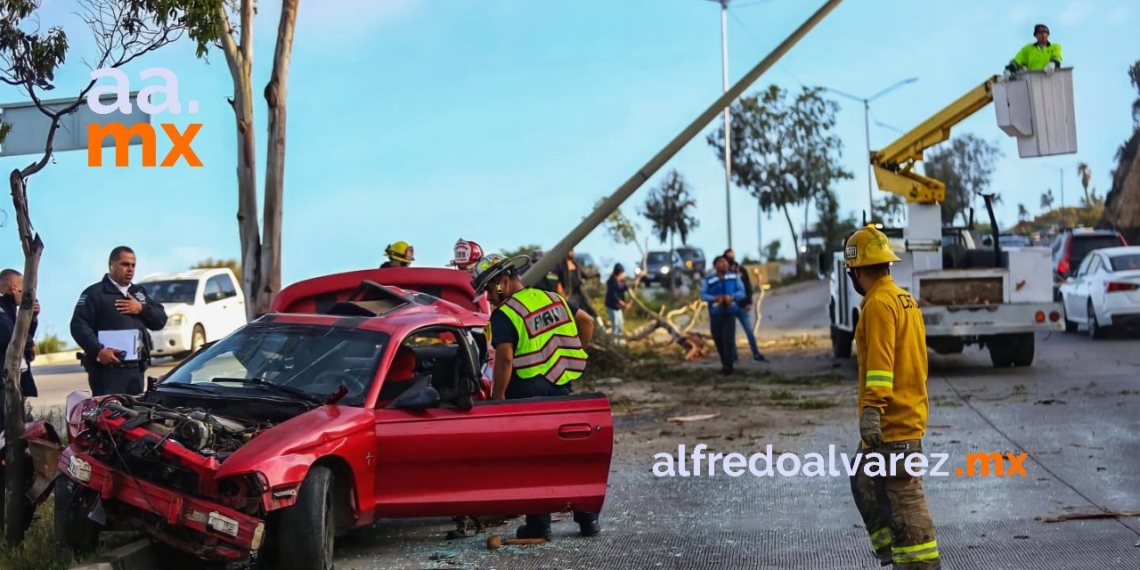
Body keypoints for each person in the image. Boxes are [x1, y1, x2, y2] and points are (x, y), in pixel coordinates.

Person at [470, 254, 600, 540]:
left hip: (527, 400)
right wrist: (574, 352)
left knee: (534, 462)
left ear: (504, 281)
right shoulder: (552, 298)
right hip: (561, 392)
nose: (490, 298)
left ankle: (539, 524)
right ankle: (587, 519)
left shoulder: (506, 312)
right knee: (567, 459)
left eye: (491, 290)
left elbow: (504, 359)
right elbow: (587, 321)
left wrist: (498, 397)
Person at [844, 225, 940, 569]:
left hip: (893, 421)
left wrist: (872, 409)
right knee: (863, 478)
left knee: (902, 495)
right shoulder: (902, 298)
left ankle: (919, 562)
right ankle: (892, 553)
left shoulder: (879, 305)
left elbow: (881, 366)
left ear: (855, 271)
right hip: (901, 413)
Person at [70, 246, 168, 396]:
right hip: (108, 372)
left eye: (133, 265)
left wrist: (141, 309)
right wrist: (98, 350)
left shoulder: (139, 293)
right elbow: (78, 325)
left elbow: (160, 320)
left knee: (135, 415)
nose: (130, 269)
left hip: (136, 370)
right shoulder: (95, 293)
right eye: (125, 264)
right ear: (112, 264)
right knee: (110, 416)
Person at [0, 268, 39, 426]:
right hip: (3, 380)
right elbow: (10, 335)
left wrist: (32, 318)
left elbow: (21, 334)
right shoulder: (2, 309)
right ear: (14, 289)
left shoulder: (10, 309)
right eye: (25, 291)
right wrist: (28, 343)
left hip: (14, 378)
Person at [699, 256, 746, 375]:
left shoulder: (734, 277)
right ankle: (724, 362)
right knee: (718, 338)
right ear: (715, 266)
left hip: (730, 312)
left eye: (725, 263)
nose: (724, 265)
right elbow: (703, 295)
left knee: (728, 339)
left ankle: (728, 365)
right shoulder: (709, 280)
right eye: (721, 263)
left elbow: (742, 292)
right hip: (716, 313)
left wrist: (732, 297)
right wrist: (715, 298)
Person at [723, 249, 767, 362]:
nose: (731, 259)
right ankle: (734, 356)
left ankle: (756, 354)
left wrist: (749, 302)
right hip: (730, 306)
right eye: (729, 257)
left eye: (732, 257)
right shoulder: (724, 272)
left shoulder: (741, 270)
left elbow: (748, 287)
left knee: (749, 331)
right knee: (730, 333)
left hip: (742, 305)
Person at [604, 263, 630, 337]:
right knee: (615, 325)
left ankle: (620, 341)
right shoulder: (611, 282)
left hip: (618, 308)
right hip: (612, 307)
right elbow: (614, 296)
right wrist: (624, 304)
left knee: (620, 324)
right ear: (619, 273)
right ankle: (615, 343)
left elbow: (625, 287)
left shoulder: (621, 282)